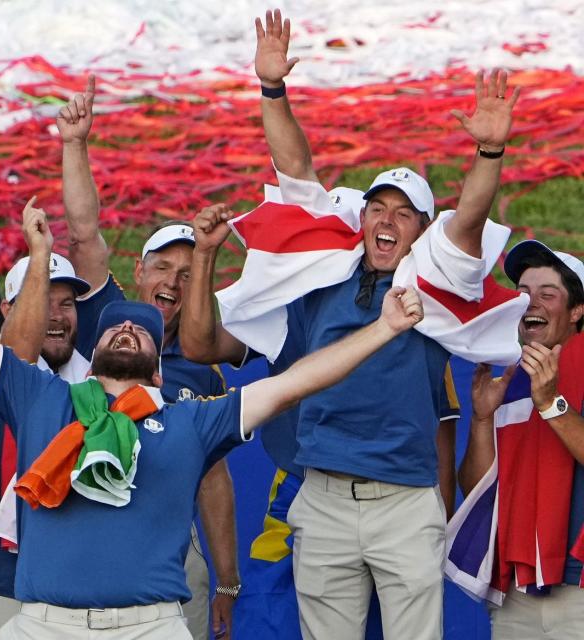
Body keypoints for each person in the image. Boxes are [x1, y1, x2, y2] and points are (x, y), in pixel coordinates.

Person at [0, 204, 425, 639]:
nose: (126, 330)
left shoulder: (191, 421)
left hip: (150, 626)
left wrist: (383, 329)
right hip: (41, 625)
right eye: (112, 328)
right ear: (93, 347)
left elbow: (299, 380)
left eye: (142, 334)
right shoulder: (41, 400)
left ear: (158, 371)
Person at [174, 9, 522, 639]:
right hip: (323, 496)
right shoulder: (319, 278)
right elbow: (297, 175)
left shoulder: (434, 285)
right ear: (361, 220)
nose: (386, 221)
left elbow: (468, 219)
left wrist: (489, 151)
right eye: (376, 209)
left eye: (405, 214)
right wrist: (273, 91)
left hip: (404, 502)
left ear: (421, 230)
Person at [181, 201, 461, 640]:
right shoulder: (295, 306)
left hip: (398, 498)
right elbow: (201, 345)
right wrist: (204, 256)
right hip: (303, 490)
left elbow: (441, 434)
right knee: (270, 624)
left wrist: (437, 530)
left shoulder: (416, 312)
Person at [56, 74, 240, 639]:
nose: (173, 282)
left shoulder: (203, 364)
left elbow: (213, 481)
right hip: (73, 534)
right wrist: (75, 144)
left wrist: (227, 582)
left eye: (189, 274)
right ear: (138, 270)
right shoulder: (100, 321)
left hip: (166, 556)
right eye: (162, 267)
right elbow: (84, 234)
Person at [0, 198, 93, 640]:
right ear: (6, 311)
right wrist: (40, 255)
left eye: (67, 304)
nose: (56, 316)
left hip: (81, 584)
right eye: (41, 299)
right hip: (1, 584)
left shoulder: (101, 385)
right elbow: (16, 355)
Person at [455, 240, 584, 639]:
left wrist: (550, 404)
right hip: (517, 590)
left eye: (548, 294)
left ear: (578, 311)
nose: (531, 303)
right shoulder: (510, 379)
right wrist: (480, 419)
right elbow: (473, 488)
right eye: (523, 294)